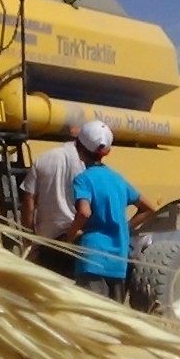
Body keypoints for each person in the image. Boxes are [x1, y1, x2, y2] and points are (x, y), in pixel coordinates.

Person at [66, 120, 156, 301]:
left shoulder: (83, 180)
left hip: (92, 259)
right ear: (106, 151)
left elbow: (84, 212)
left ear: (79, 148)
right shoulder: (118, 179)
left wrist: (71, 235)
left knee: (91, 318)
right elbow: (150, 207)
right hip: (119, 261)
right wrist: (125, 227)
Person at [19, 132, 85, 277]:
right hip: (75, 238)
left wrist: (27, 236)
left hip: (47, 241)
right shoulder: (86, 163)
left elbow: (29, 200)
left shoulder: (44, 158)